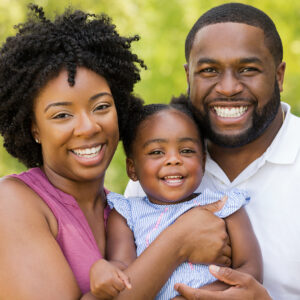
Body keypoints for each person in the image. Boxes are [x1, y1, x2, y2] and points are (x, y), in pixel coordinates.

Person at [0, 4, 236, 300]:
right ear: (34, 128)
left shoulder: (127, 210)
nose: (88, 127)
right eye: (62, 115)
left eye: (101, 107)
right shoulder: (13, 201)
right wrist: (179, 241)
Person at [125, 2, 300, 300]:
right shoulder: (158, 172)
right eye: (209, 70)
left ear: (279, 76)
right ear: (188, 76)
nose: (229, 88)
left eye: (248, 69)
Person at [89, 101, 262, 300]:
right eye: (156, 152)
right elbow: (123, 270)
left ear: (203, 162)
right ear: (132, 168)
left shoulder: (226, 207)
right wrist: (103, 270)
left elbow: (250, 271)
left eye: (186, 151)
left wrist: (196, 296)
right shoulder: (126, 214)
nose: (173, 160)